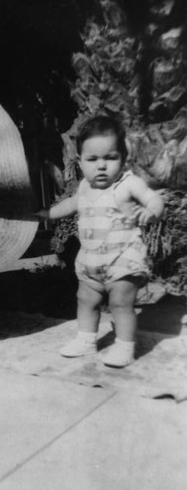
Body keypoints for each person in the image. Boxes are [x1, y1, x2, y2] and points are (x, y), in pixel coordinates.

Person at [36, 116, 164, 367]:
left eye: (110, 158)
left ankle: (125, 347)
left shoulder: (128, 184)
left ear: (124, 159)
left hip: (123, 259)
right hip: (91, 260)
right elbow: (70, 205)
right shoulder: (84, 186)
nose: (101, 166)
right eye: (93, 160)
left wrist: (151, 212)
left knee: (120, 303)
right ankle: (86, 340)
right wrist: (47, 214)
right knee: (85, 299)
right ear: (80, 162)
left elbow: (154, 199)